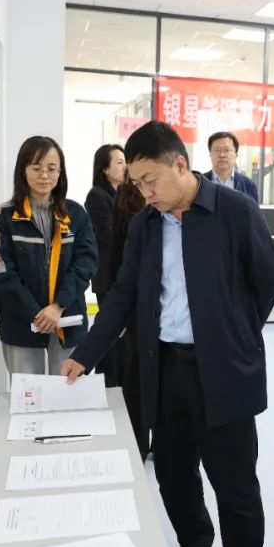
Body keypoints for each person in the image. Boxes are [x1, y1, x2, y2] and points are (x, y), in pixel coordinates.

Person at [60, 121, 274, 547]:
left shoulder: (235, 212)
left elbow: (266, 281)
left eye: (149, 180)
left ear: (180, 165)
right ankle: (196, 542)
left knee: (235, 484)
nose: (144, 192)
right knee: (173, 474)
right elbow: (124, 294)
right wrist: (86, 353)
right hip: (165, 367)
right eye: (136, 182)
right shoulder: (147, 225)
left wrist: (235, 337)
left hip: (223, 372)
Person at [0, 136, 97, 375]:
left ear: (60, 173)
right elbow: (1, 274)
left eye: (51, 168)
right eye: (36, 168)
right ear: (22, 171)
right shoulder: (4, 217)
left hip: (68, 321)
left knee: (68, 390)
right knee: (28, 394)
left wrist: (58, 306)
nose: (44, 175)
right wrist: (36, 313)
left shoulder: (76, 214)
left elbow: (85, 264)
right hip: (22, 324)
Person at [109, 180, 149, 460]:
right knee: (135, 382)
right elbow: (116, 255)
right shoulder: (125, 198)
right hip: (135, 306)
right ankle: (138, 447)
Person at [84, 143, 127, 386]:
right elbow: (108, 236)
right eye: (119, 162)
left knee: (121, 335)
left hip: (122, 273)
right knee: (109, 330)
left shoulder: (124, 193)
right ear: (105, 169)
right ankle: (106, 382)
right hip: (109, 276)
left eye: (125, 161)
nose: (125, 166)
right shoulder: (97, 196)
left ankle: (118, 381)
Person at [204, 131, 259, 201]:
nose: (222, 155)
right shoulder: (199, 184)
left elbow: (253, 208)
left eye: (227, 150)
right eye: (217, 150)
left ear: (236, 155)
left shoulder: (249, 185)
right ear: (210, 155)